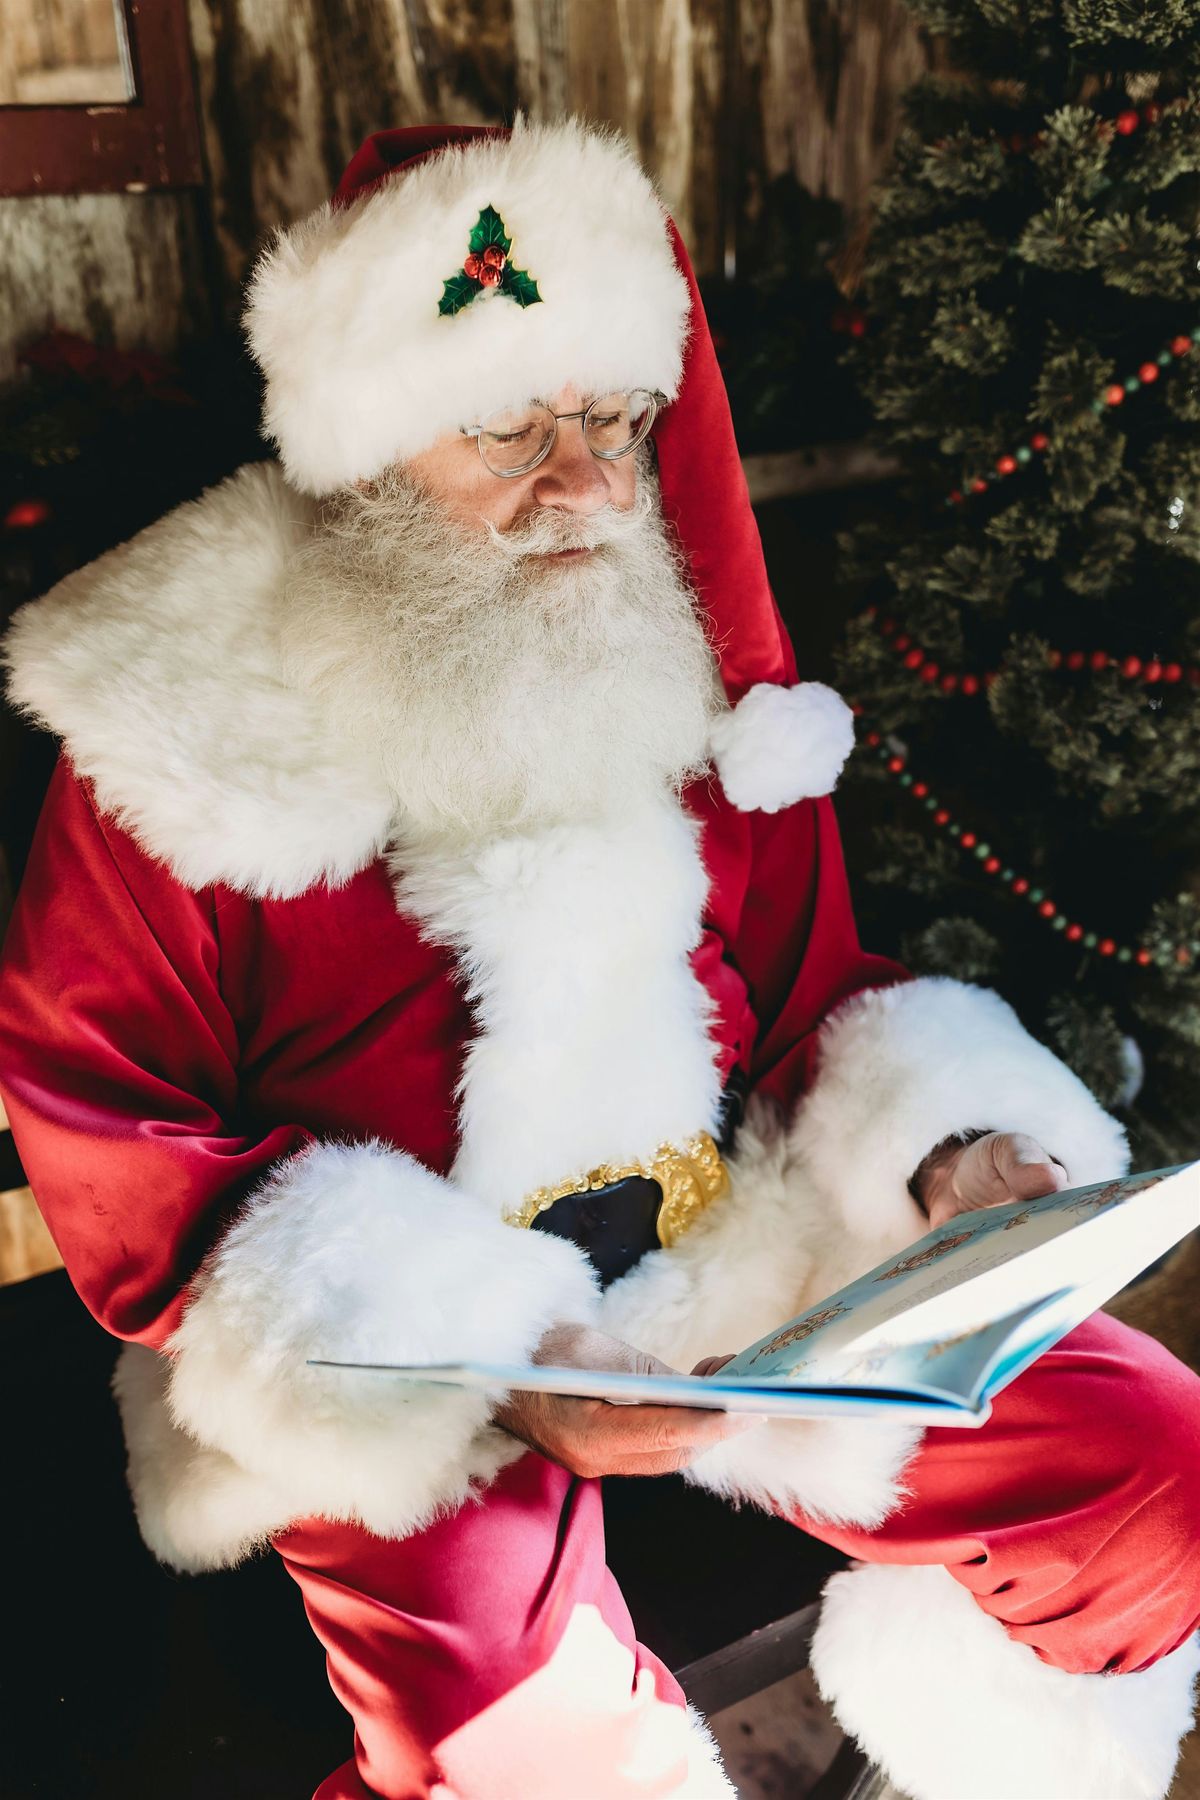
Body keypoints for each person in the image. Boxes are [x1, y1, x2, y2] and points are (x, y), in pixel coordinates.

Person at [0, 119, 1196, 1800]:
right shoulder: (175, 730)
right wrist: (498, 1354)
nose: (579, 486)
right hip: (403, 1353)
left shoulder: (675, 654)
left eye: (614, 422)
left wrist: (944, 1149)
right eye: (506, 428)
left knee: (1156, 1462)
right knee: (528, 1740)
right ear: (373, 442)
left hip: (731, 1273)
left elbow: (802, 998)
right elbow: (111, 1132)